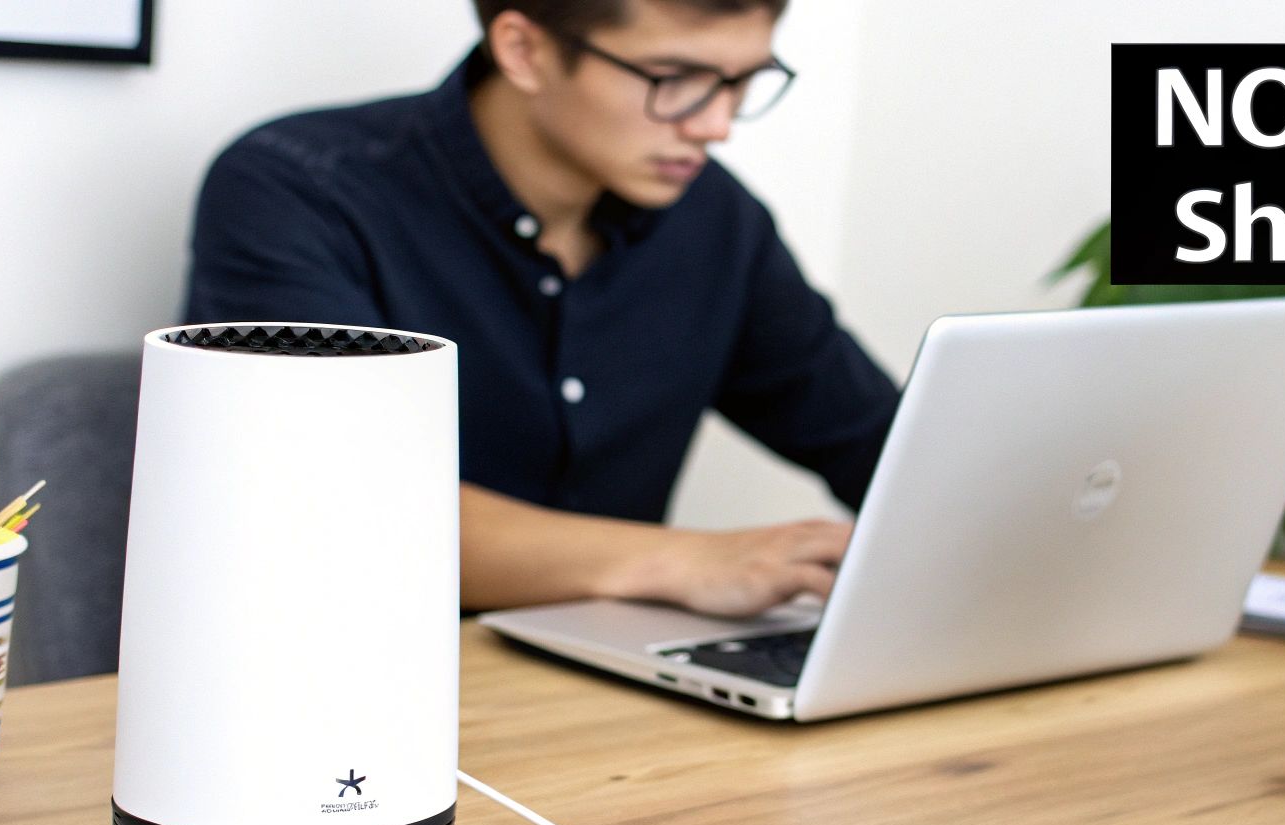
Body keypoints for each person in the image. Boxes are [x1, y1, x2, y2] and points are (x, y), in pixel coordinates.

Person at [184, 0, 899, 616]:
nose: (716, 126)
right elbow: (336, 504)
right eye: (676, 80)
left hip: (606, 693)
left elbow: (877, 442)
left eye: (742, 82)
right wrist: (683, 562)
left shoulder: (716, 221)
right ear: (524, 50)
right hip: (344, 685)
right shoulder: (299, 189)